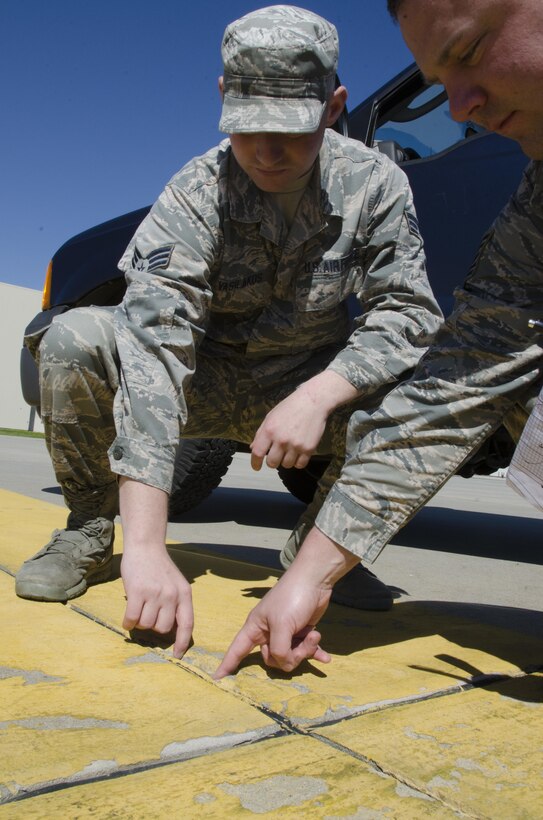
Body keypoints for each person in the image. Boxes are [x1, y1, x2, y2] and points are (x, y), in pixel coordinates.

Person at [15, 5, 442, 659]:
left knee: (431, 382)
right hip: (201, 383)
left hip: (305, 387)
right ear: (223, 99)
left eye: (291, 129)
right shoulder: (195, 191)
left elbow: (407, 315)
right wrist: (150, 545)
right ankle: (90, 529)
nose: (268, 152)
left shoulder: (374, 185)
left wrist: (320, 393)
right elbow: (154, 347)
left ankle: (324, 545)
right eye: (248, 127)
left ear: (333, 107)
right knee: (75, 339)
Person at [215, 0, 543, 679]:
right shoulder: (536, 207)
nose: (459, 106)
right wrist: (309, 577)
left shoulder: (374, 187)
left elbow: (406, 317)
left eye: (470, 51)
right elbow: (457, 382)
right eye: (436, 78)